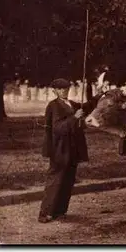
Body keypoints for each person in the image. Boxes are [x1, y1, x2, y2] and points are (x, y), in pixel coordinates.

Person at [38, 78, 96, 223]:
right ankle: (45, 213)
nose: (64, 91)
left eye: (66, 88)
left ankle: (60, 211)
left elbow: (87, 107)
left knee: (68, 181)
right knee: (55, 181)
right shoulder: (53, 106)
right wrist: (74, 117)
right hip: (59, 149)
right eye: (60, 89)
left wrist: (99, 95)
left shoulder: (72, 104)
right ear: (55, 91)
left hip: (73, 149)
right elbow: (57, 128)